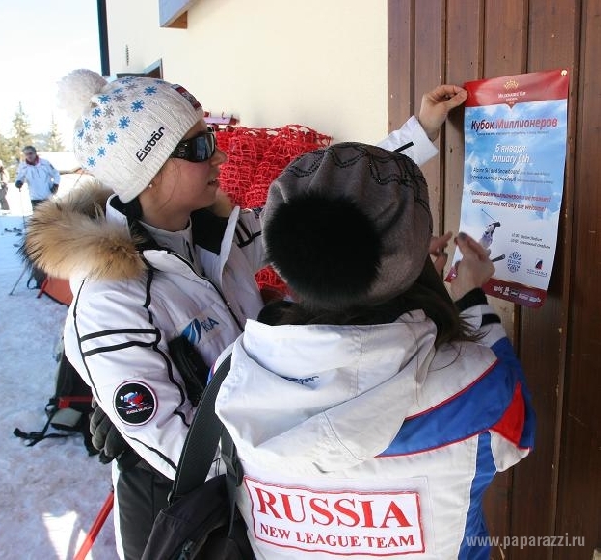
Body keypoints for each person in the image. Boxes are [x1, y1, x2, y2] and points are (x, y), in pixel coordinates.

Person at [22, 68, 466, 560]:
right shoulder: (113, 299)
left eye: (209, 136)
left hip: (256, 495)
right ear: (146, 170)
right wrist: (325, 465)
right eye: (197, 147)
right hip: (188, 519)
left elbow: (327, 207)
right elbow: (184, 453)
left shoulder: (216, 236)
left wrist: (413, 160)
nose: (221, 154)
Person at [214, 143, 536, 559]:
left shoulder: (230, 377)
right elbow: (516, 436)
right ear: (412, 255)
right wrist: (470, 297)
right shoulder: (476, 386)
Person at [14, 145, 60, 209]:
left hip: (48, 196)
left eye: (30, 153)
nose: (29, 156)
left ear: (35, 153)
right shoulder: (23, 166)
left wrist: (55, 185)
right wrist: (18, 182)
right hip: (34, 197)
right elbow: (19, 177)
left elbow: (56, 174)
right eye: (26, 154)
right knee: (38, 218)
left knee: (50, 218)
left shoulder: (45, 163)